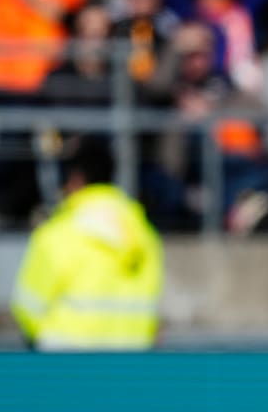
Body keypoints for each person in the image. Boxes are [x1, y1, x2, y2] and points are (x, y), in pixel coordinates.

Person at [11, 136, 164, 351]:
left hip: (66, 368)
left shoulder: (57, 234)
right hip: (129, 368)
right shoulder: (144, 234)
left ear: (76, 179)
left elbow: (27, 309)